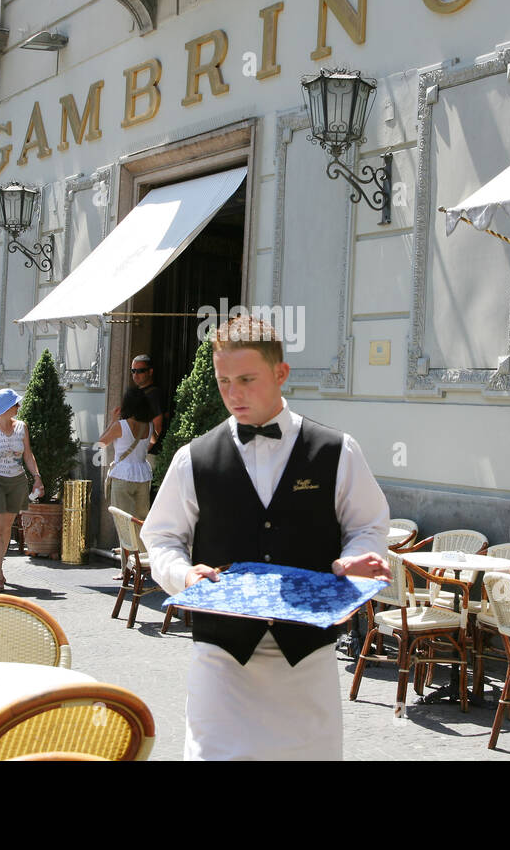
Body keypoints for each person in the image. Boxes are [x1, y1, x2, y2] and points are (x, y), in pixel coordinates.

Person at [141, 316, 391, 761]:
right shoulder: (192, 458)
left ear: (281, 374)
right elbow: (159, 537)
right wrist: (182, 575)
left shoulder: (337, 451)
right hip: (221, 661)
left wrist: (355, 558)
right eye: (223, 381)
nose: (233, 393)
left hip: (307, 660)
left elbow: (368, 526)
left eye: (246, 379)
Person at [0, 388, 43, 591]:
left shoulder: (22, 427)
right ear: (6, 407)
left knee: (6, 528)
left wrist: (37, 478)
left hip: (16, 481)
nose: (19, 406)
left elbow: (28, 455)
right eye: (15, 404)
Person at [98, 384, 153, 520]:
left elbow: (101, 443)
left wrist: (112, 421)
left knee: (123, 522)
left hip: (122, 475)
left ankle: (125, 543)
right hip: (143, 476)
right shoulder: (149, 425)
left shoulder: (121, 425)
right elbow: (153, 440)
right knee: (141, 521)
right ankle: (139, 543)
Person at [129, 354, 168, 455]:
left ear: (150, 372)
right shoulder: (137, 393)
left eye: (140, 371)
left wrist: (140, 454)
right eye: (133, 371)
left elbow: (156, 428)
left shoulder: (154, 395)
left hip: (146, 455)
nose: (136, 374)